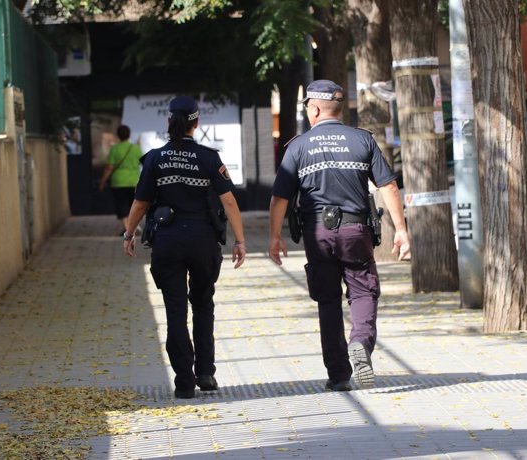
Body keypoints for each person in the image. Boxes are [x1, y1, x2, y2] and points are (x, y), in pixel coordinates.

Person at [268, 80, 410, 392]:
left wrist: (274, 237)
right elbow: (388, 186)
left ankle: (338, 374)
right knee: (362, 291)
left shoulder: (297, 147)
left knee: (327, 300)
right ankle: (360, 342)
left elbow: (280, 199)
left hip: (317, 231)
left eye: (307, 106)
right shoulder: (362, 140)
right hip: (354, 229)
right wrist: (401, 230)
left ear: (314, 108)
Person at [122, 95, 246, 399]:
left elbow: (141, 202)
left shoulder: (154, 158)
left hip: (167, 240)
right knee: (203, 303)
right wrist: (241, 240)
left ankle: (183, 381)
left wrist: (129, 233)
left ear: (168, 122)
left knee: (175, 311)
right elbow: (228, 200)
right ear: (196, 123)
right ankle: (205, 373)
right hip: (203, 240)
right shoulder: (208, 157)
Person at [99, 124, 143, 234]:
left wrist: (102, 182)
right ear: (129, 135)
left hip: (118, 182)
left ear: (118, 136)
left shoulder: (115, 149)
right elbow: (143, 163)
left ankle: (128, 228)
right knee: (133, 206)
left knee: (121, 205)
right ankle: (133, 227)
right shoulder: (136, 148)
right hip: (134, 181)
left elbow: (109, 167)